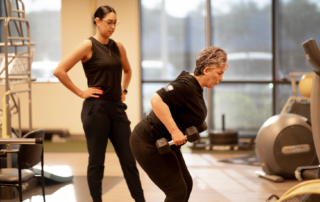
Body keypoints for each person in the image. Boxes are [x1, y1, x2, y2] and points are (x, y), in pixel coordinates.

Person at [53, 5, 145, 202]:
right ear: (97, 21)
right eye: (108, 22)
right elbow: (59, 71)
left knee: (129, 160)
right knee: (97, 162)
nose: (112, 27)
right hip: (96, 109)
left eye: (115, 23)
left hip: (117, 108)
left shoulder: (118, 46)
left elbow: (128, 71)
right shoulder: (88, 45)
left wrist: (124, 89)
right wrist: (80, 92)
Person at [130, 46, 228, 202]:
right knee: (177, 191)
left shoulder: (196, 88)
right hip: (147, 141)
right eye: (219, 73)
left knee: (186, 185)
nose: (221, 78)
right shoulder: (186, 84)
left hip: (165, 144)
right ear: (207, 70)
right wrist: (175, 131)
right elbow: (156, 99)